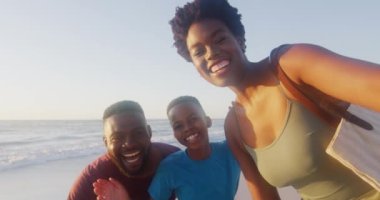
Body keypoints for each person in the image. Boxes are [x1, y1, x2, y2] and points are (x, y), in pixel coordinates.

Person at [169, 0, 380, 199]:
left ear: (239, 39)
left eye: (220, 39)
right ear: (194, 65)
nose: (211, 53)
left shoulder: (290, 65)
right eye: (198, 51)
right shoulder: (234, 127)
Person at [93, 96, 241, 200]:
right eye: (178, 126)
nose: (187, 128)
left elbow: (255, 134)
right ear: (174, 133)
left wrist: (241, 115)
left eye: (193, 119)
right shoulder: (171, 167)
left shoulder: (230, 150)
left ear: (207, 121)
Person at [67, 100, 179, 200]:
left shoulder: (174, 161)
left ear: (149, 133)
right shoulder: (94, 178)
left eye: (138, 133)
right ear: (106, 143)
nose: (129, 144)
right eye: (116, 138)